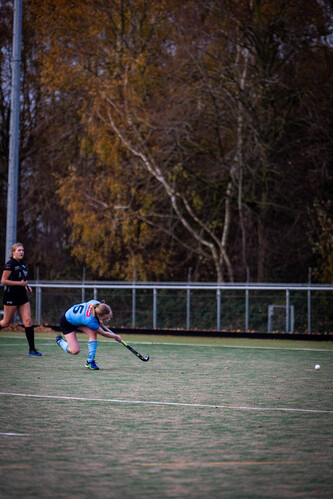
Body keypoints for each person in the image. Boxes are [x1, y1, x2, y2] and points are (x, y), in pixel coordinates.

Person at [0, 242, 42, 356]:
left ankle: (32, 350)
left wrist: (27, 287)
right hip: (11, 296)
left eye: (22, 250)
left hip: (22, 296)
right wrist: (20, 284)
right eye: (19, 250)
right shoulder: (10, 264)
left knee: (28, 321)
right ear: (13, 252)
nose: (21, 252)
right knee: (5, 323)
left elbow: (23, 280)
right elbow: (3, 281)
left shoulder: (22, 264)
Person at [56, 299, 122, 370]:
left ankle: (90, 362)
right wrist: (115, 336)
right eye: (106, 318)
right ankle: (60, 341)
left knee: (93, 333)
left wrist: (99, 320)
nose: (107, 319)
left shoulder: (97, 304)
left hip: (79, 319)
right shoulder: (91, 321)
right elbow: (103, 333)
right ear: (99, 316)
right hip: (67, 322)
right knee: (75, 351)